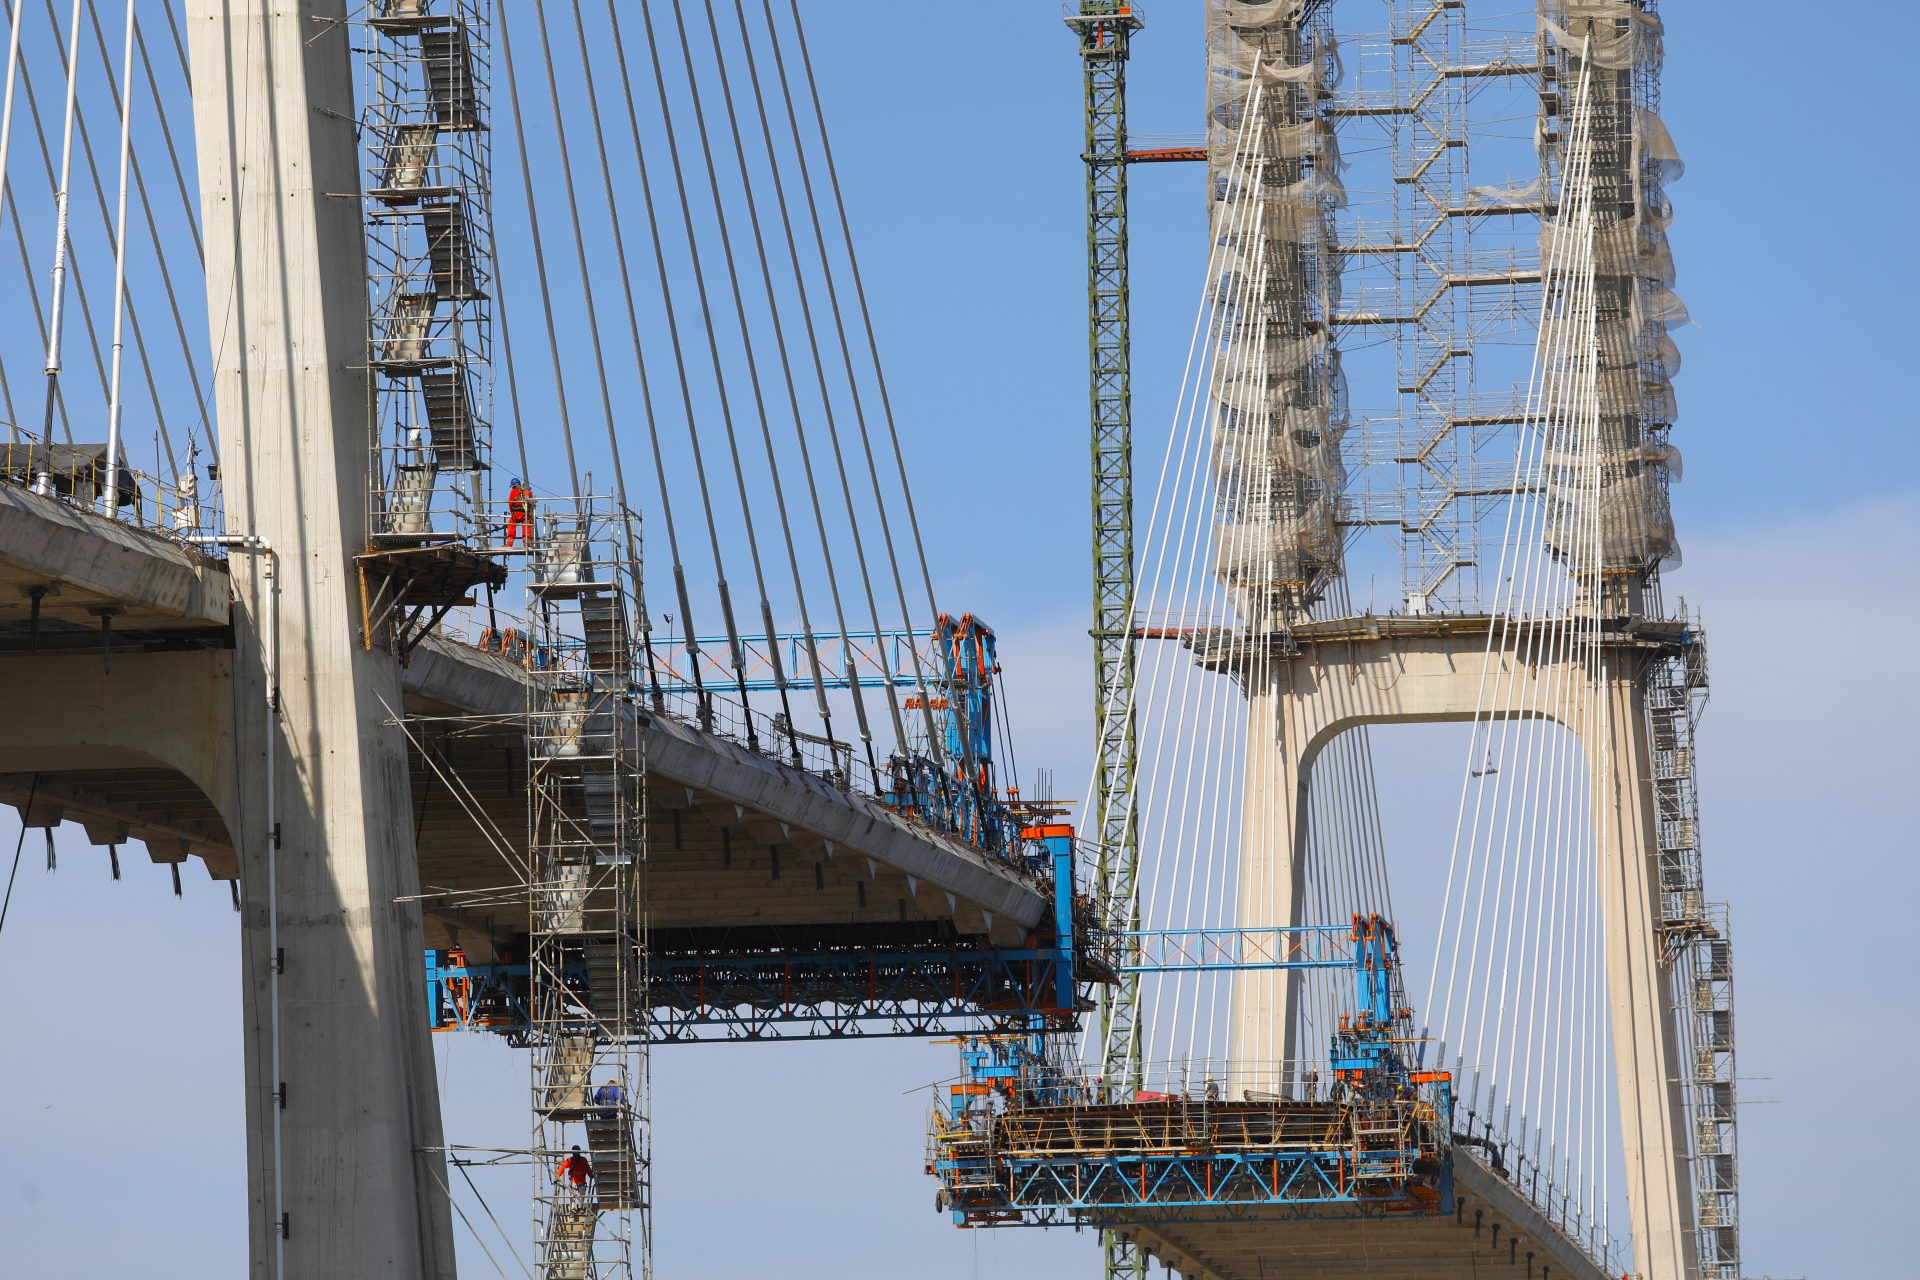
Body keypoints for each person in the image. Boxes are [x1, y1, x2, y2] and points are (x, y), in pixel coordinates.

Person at [505, 478, 533, 548]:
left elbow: (510, 503)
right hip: (525, 514)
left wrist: (511, 512)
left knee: (511, 527)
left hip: (516, 513)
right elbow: (530, 504)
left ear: (513, 486)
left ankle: (509, 544)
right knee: (526, 528)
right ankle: (527, 544)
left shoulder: (513, 492)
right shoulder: (527, 492)